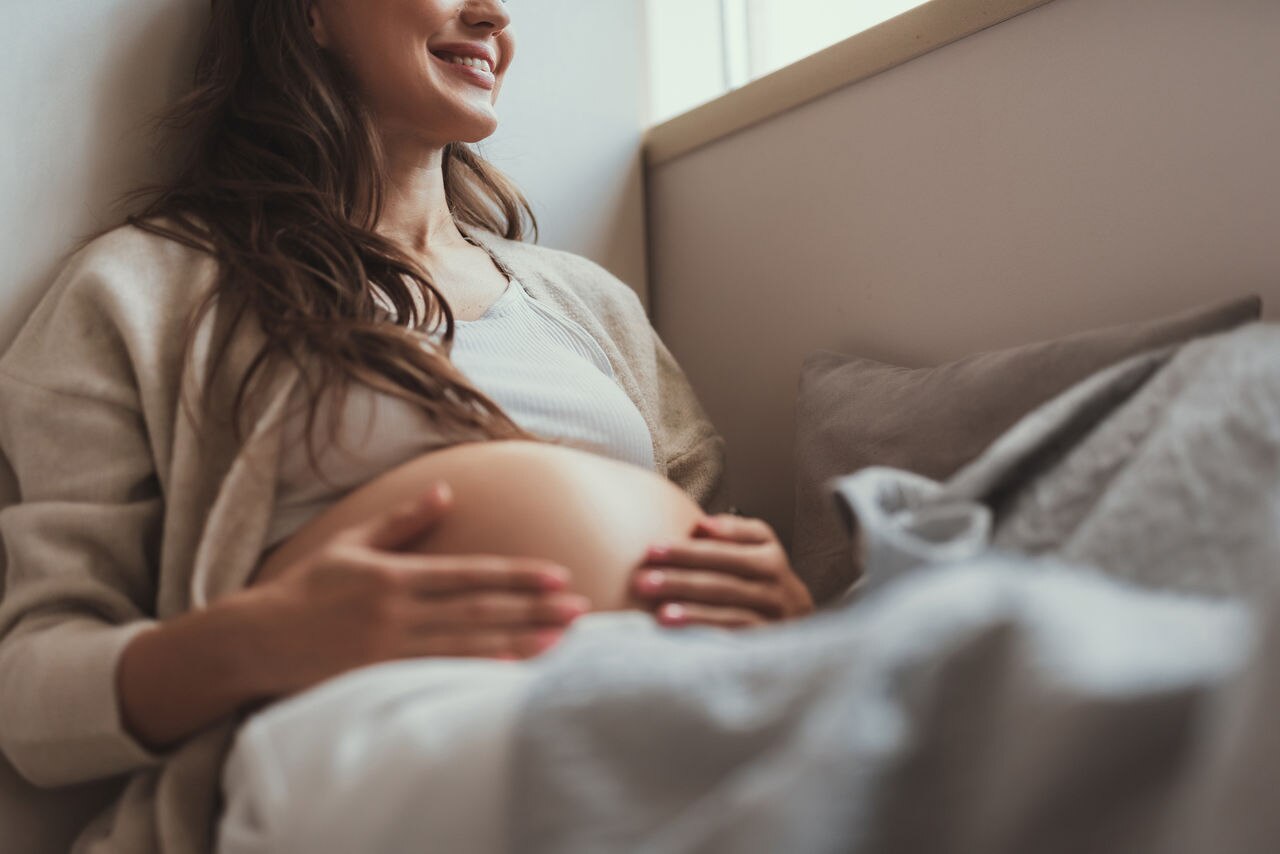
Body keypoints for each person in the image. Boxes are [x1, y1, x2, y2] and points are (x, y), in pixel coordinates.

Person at [0, 1, 813, 852]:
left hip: (672, 690)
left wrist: (782, 610)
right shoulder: (140, 290)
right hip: (396, 733)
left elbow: (714, 529)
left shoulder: (590, 302)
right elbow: (32, 695)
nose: (492, 11)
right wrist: (260, 641)